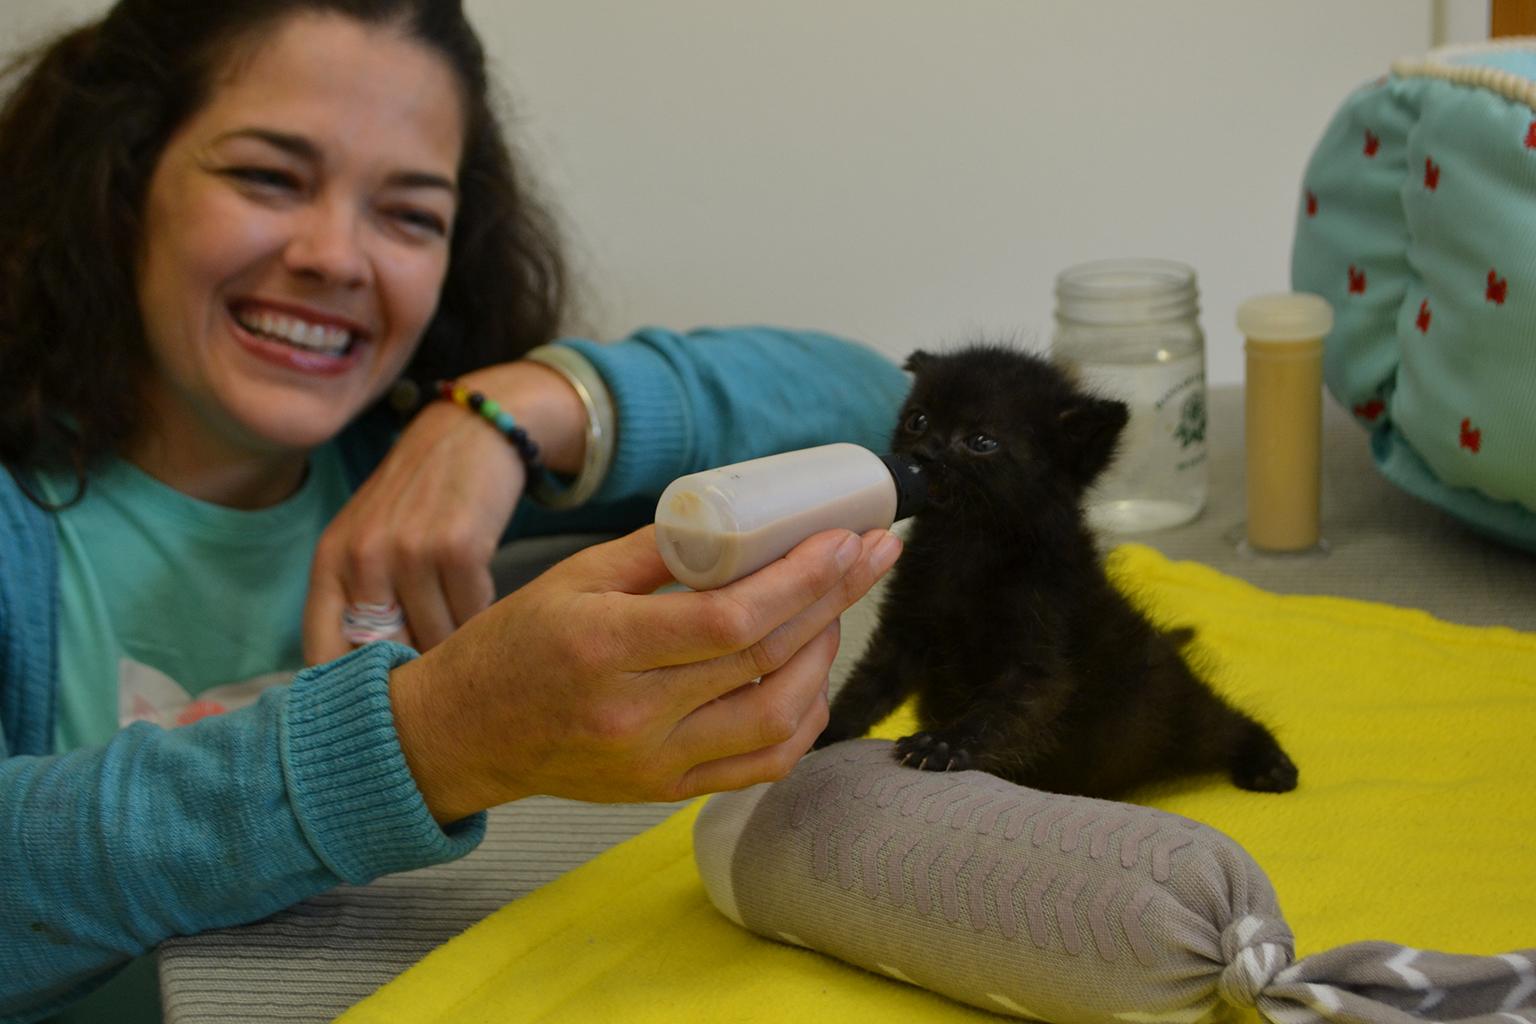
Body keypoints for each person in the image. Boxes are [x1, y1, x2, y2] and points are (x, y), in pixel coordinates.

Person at [0, 1, 910, 1019]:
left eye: (410, 214)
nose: (338, 258)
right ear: (120, 185)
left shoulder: (421, 479)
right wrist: (430, 739)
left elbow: (888, 405)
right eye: (267, 176)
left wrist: (511, 412)